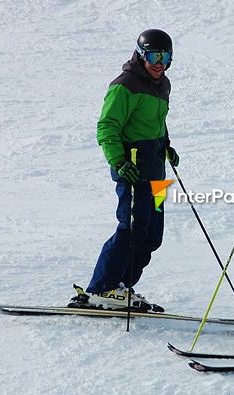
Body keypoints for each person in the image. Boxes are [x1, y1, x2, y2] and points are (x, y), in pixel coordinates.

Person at [71, 29, 180, 312]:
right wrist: (118, 161)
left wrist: (166, 144)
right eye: (153, 56)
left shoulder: (163, 85)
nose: (159, 62)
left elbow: (156, 122)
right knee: (131, 228)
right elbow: (107, 127)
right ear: (141, 54)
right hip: (133, 170)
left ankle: (121, 288)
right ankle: (101, 287)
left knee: (153, 234)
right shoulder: (125, 86)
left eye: (165, 56)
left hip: (156, 173)